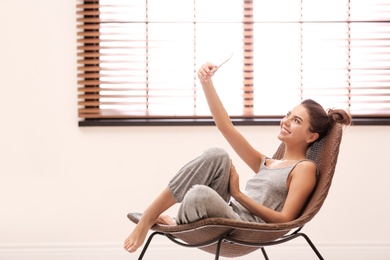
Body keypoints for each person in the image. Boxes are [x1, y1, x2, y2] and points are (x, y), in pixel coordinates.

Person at [123, 62, 352, 253]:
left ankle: (173, 222)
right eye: (288, 115)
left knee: (198, 194)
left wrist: (238, 194)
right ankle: (150, 217)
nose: (286, 121)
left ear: (311, 136)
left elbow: (285, 219)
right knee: (217, 154)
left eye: (296, 121)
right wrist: (206, 83)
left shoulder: (305, 168)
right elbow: (225, 127)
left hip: (243, 228)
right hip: (226, 214)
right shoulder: (267, 163)